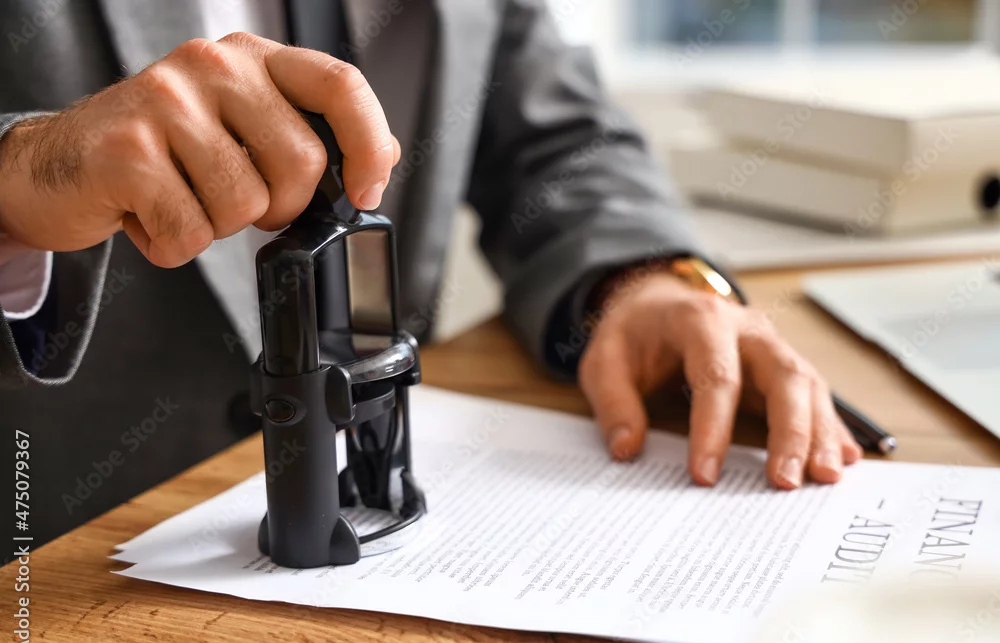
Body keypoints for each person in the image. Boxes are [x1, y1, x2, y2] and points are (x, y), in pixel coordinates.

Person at [0, 0, 860, 547]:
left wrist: (642, 278)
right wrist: (21, 175)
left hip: (399, 559)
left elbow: (561, 138)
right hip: (54, 569)